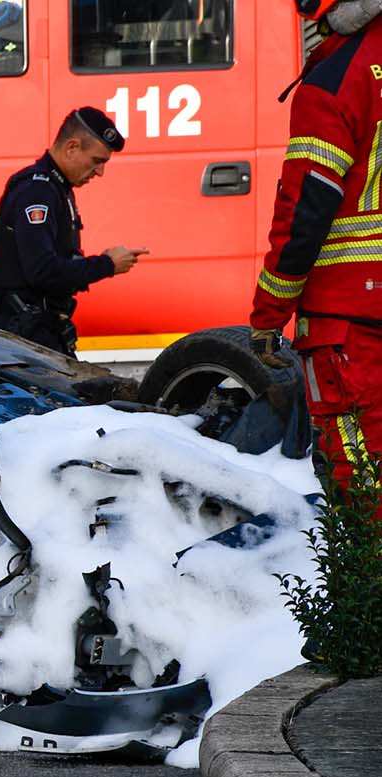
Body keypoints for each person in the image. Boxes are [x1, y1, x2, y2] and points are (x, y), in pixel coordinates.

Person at [249, 0, 382, 495]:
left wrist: (267, 315)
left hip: (352, 320)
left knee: (362, 480)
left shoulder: (336, 78)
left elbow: (307, 206)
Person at [0, 107, 147, 355]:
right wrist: (106, 265)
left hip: (40, 330)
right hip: (27, 335)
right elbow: (42, 271)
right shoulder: (37, 191)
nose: (100, 172)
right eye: (97, 161)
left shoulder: (56, 188)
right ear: (72, 147)